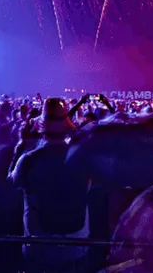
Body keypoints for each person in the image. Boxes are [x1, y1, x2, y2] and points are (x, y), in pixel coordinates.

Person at [8, 97, 90, 265]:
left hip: (39, 247)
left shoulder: (28, 160)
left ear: (40, 128)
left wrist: (21, 144)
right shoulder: (83, 159)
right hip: (77, 246)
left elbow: (11, 182)